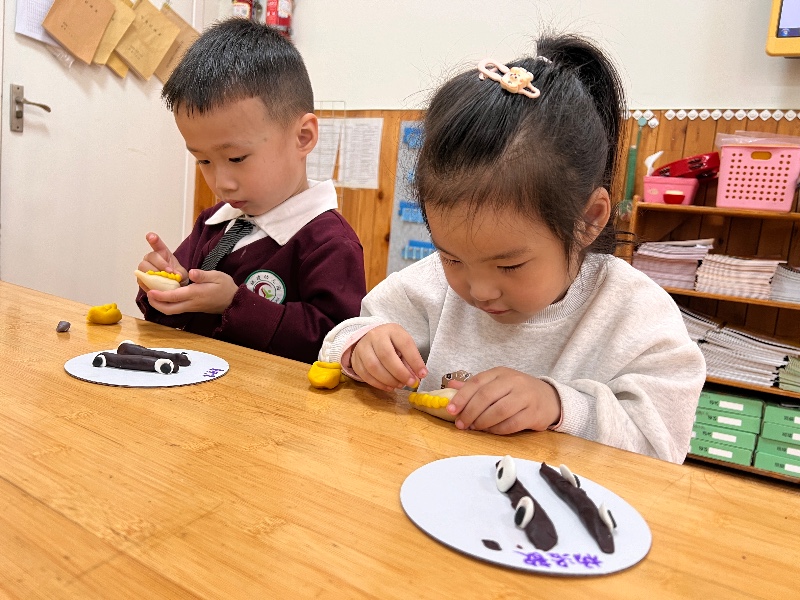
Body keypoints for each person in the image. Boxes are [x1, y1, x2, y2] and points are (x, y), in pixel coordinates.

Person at [318, 34, 705, 463]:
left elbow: (662, 444)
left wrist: (558, 406)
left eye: (509, 265)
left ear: (588, 220)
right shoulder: (428, 285)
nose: (479, 290)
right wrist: (362, 346)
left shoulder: (634, 312)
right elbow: (344, 337)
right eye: (452, 257)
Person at [136, 18, 366, 364]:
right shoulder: (215, 223)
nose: (221, 183)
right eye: (203, 161)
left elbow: (336, 345)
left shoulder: (328, 241)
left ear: (303, 137)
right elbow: (175, 323)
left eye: (236, 158)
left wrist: (235, 304)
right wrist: (166, 286)